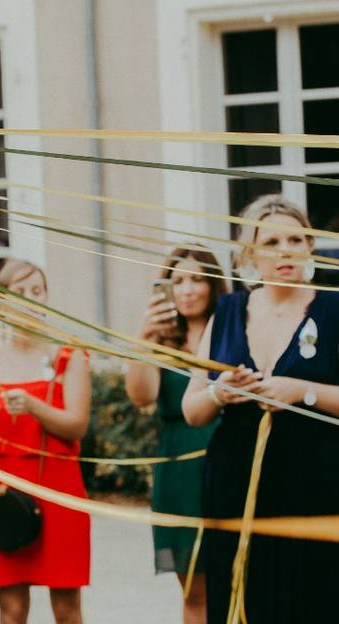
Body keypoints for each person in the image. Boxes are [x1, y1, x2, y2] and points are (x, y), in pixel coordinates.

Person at [182, 195, 339, 623]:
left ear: (310, 247)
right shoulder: (229, 311)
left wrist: (301, 391)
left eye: (295, 238)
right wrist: (221, 393)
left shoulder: (334, 308)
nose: (284, 250)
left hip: (316, 484)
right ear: (250, 253)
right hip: (235, 485)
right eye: (270, 240)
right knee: (244, 598)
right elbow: (192, 409)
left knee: (313, 600)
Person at [0, 259, 91, 624]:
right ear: (2, 300)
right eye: (19, 292)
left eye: (36, 291)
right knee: (11, 607)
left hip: (58, 486)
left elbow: (76, 426)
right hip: (5, 489)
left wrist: (36, 407)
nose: (28, 300)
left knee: (66, 607)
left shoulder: (68, 355)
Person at [125, 247, 227, 624]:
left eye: (197, 279)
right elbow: (141, 396)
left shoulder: (234, 329)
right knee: (195, 589)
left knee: (240, 576)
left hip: (230, 458)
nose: (186, 289)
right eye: (177, 281)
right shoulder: (161, 342)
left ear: (214, 284)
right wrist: (144, 338)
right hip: (179, 471)